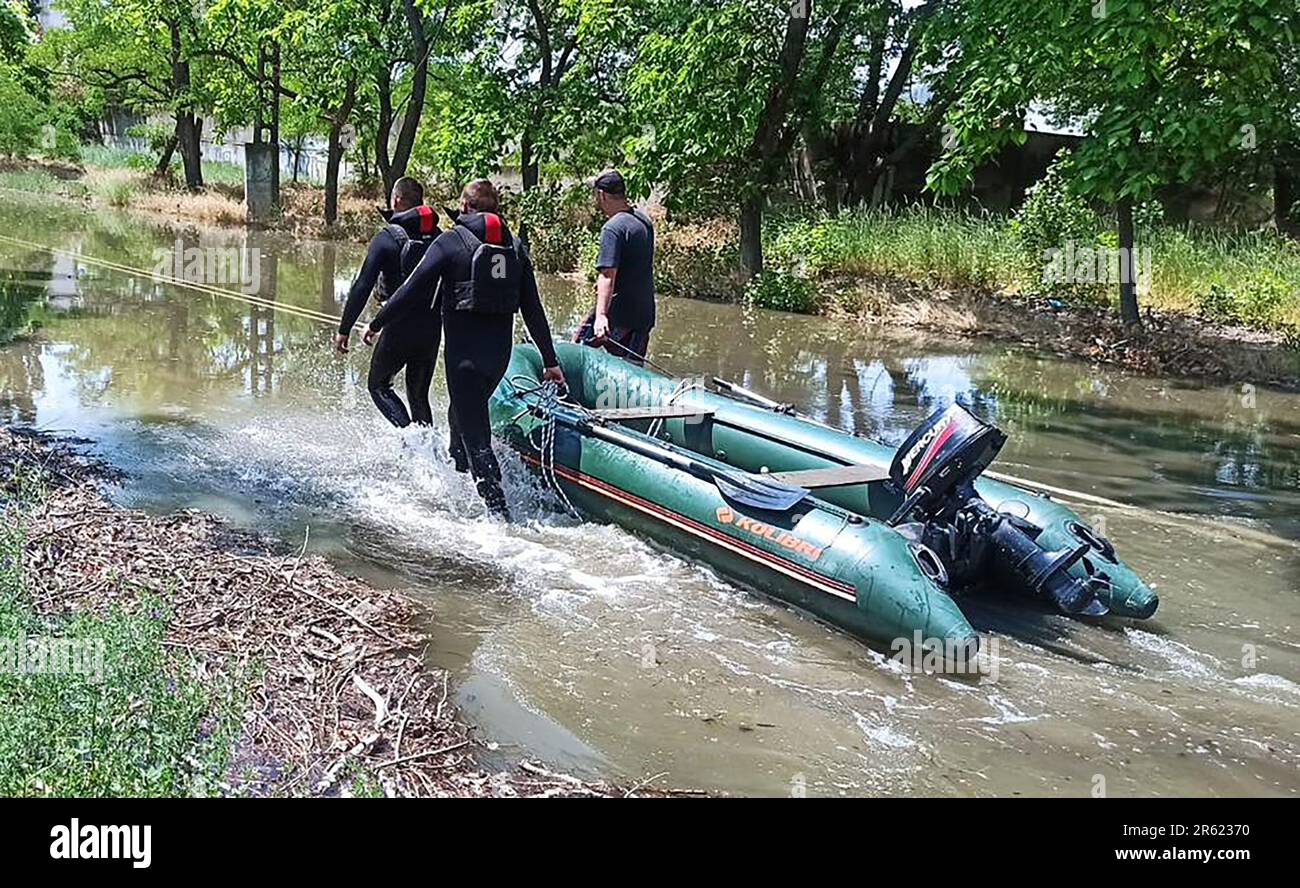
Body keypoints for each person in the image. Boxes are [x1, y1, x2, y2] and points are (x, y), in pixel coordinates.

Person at [366, 179, 564, 517]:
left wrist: (377, 322)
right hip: (498, 360)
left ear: (464, 206)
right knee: (459, 418)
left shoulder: (450, 242)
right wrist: (550, 360)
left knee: (477, 439)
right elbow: (533, 309)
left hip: (464, 362)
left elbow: (411, 289)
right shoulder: (515, 248)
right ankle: (456, 482)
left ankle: (500, 520)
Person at [333, 176, 441, 427]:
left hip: (398, 324)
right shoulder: (440, 237)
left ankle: (412, 442)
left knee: (378, 386)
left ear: (396, 200)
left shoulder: (387, 238)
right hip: (432, 327)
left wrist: (344, 329)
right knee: (418, 396)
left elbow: (362, 285)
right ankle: (430, 451)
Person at [573, 169, 656, 364]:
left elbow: (607, 275)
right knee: (633, 370)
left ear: (601, 195)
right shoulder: (643, 221)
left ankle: (564, 392)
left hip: (617, 315)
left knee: (575, 352)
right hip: (644, 314)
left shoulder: (612, 228)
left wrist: (601, 315)